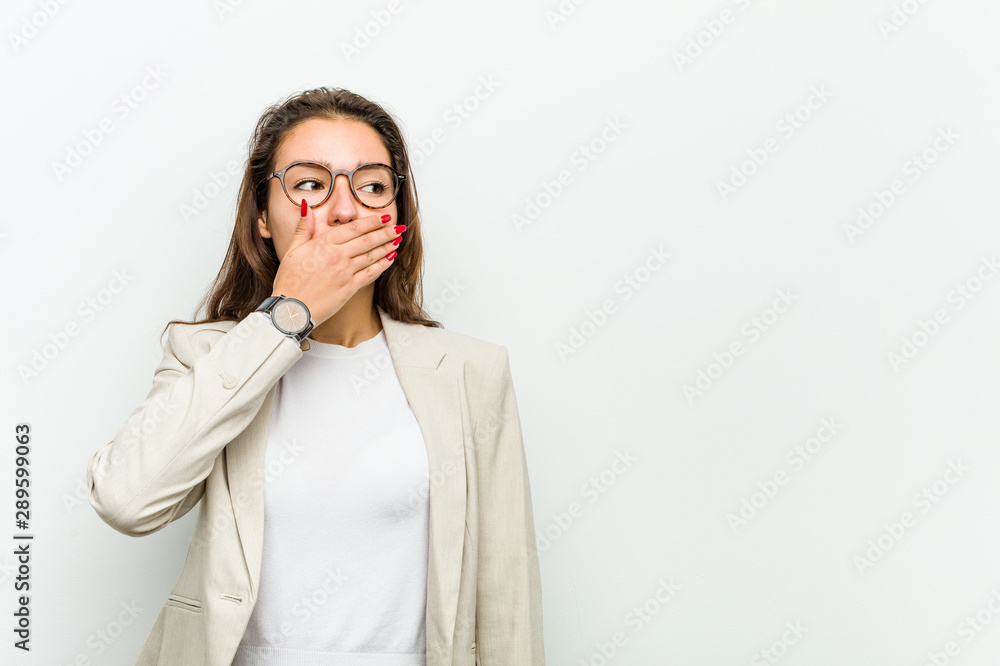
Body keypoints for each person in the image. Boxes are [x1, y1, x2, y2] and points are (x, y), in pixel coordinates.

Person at [86, 86, 545, 666]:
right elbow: (128, 501)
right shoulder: (207, 355)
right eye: (309, 183)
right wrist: (285, 318)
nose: (344, 208)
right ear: (261, 220)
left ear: (398, 217)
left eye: (373, 185)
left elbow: (505, 596)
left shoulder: (470, 372)